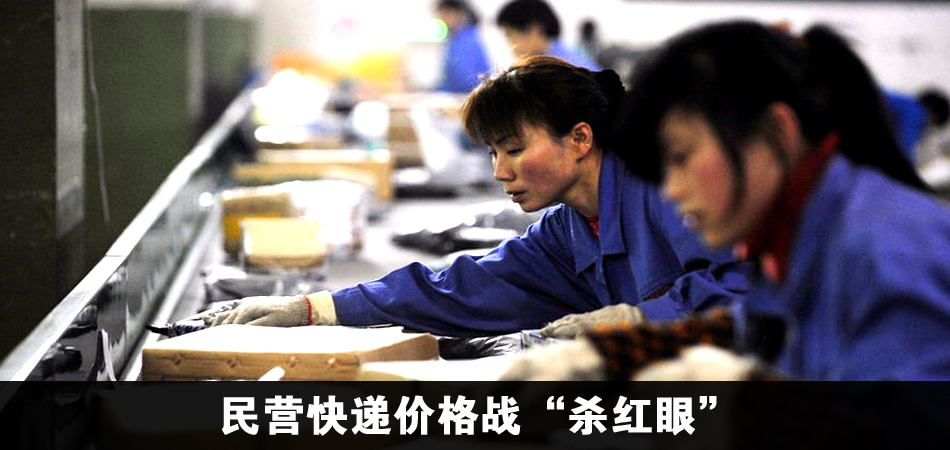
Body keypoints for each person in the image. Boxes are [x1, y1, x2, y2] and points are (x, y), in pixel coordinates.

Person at [506, 21, 950, 381]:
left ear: (776, 133)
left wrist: (748, 398)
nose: (671, 190)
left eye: (681, 158)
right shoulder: (795, 237)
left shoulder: (886, 247)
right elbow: (753, 326)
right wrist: (613, 353)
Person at [200, 55, 749, 338]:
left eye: (514, 149)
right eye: (492, 153)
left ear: (580, 139)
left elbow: (750, 289)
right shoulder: (567, 232)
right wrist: (317, 308)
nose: (499, 172)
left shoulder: (671, 192)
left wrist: (639, 319)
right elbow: (462, 288)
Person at [495, 0, 600, 70]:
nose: (508, 44)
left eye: (509, 35)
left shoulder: (564, 68)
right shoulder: (555, 61)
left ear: (534, 30)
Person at [435, 0, 492, 94]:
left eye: (445, 15)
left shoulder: (467, 41)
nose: (442, 20)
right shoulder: (455, 38)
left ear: (458, 13)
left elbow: (466, 81)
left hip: (467, 95)